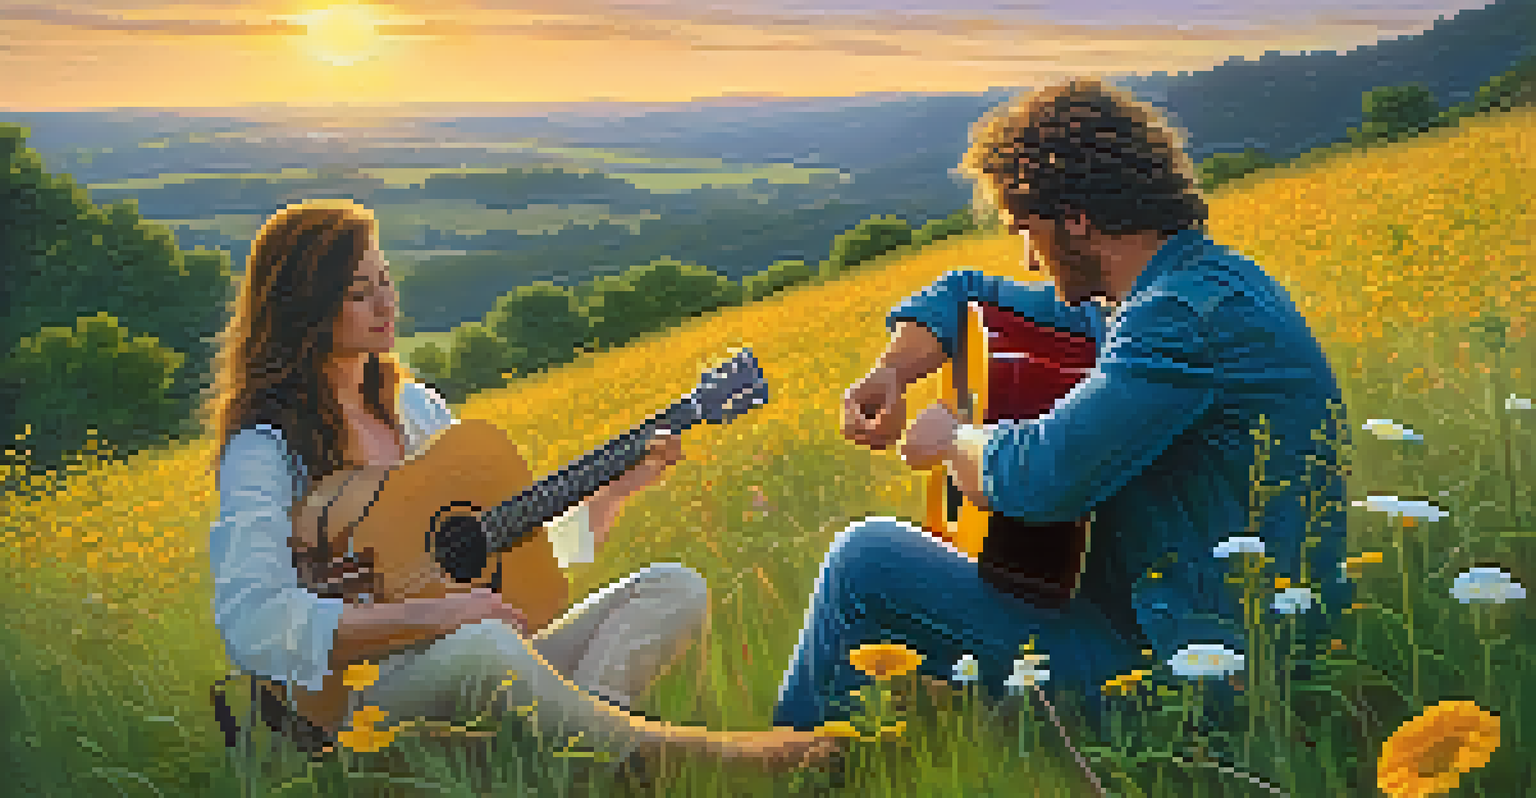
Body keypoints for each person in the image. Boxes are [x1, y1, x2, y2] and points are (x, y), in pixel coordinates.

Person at [772, 78, 1354, 742]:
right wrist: (891, 373)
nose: (1027, 257)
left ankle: (795, 767)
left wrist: (954, 438)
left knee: (865, 562)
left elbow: (1044, 477)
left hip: (1202, 680)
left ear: (1076, 216)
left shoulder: (1178, 319)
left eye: (1028, 229)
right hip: (1175, 631)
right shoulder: (1176, 285)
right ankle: (839, 754)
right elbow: (968, 296)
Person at [202, 199, 833, 772]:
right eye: (358, 292)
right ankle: (695, 763)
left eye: (386, 282)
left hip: (478, 660)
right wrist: (437, 615)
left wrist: (615, 491)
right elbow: (252, 621)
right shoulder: (265, 448)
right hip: (362, 701)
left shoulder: (417, 413)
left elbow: (509, 562)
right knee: (483, 645)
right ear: (303, 306)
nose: (386, 303)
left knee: (674, 588)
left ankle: (571, 765)